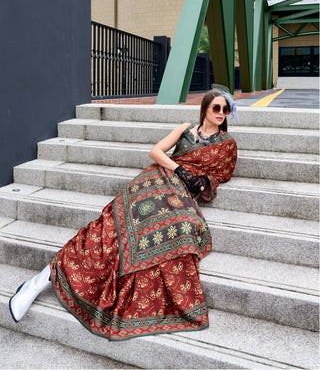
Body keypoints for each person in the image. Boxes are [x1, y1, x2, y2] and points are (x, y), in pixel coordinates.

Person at [9, 86, 238, 341]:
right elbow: (155, 151)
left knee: (180, 226)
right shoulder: (185, 129)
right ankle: (43, 279)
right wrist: (179, 169)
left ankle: (45, 278)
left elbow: (221, 174)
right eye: (216, 107)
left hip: (181, 192)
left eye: (225, 109)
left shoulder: (226, 144)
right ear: (205, 109)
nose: (220, 113)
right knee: (108, 227)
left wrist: (203, 181)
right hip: (156, 177)